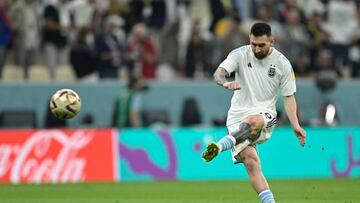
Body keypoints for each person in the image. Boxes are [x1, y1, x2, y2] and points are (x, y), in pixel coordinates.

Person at [202, 22, 306, 203]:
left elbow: (289, 96)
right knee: (251, 162)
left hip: (265, 114)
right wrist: (224, 82)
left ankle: (219, 147)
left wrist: (295, 124)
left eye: (261, 45)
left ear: (272, 41)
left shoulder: (283, 64)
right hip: (236, 117)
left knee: (254, 120)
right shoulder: (239, 54)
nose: (256, 49)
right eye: (253, 44)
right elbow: (219, 73)